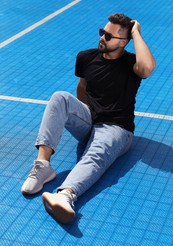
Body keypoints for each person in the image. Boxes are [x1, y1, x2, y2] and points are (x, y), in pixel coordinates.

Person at [21, 13, 156, 224]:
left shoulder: (132, 64)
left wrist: (136, 32)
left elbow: (147, 67)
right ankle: (43, 165)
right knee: (60, 98)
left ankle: (66, 195)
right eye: (102, 32)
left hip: (117, 128)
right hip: (90, 121)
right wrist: (83, 114)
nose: (102, 37)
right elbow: (82, 87)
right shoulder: (86, 57)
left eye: (109, 36)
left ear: (124, 42)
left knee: (97, 152)